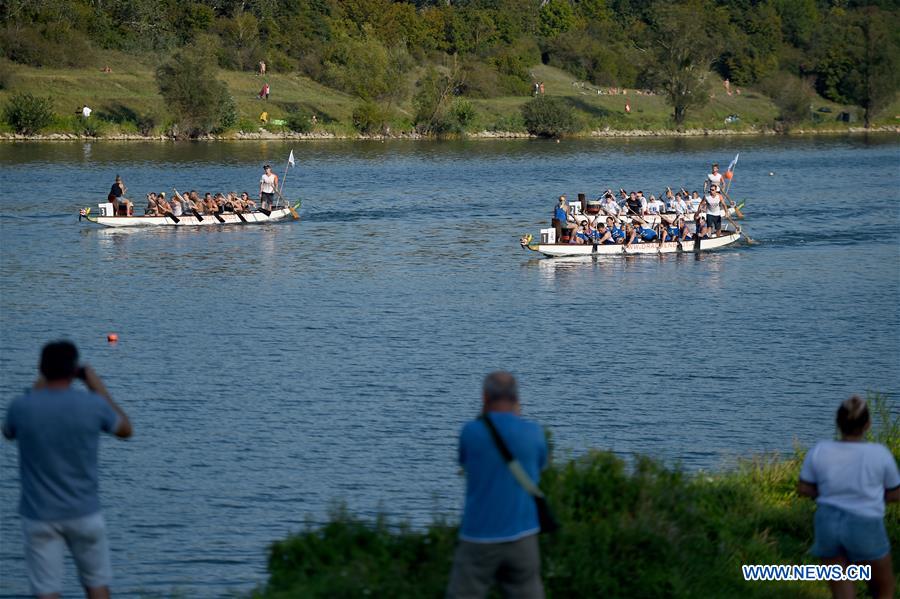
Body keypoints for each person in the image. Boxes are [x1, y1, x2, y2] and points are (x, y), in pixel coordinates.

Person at [3, 341, 132, 599]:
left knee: (47, 591)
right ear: (74, 371)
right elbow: (125, 429)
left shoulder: (22, 407)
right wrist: (97, 386)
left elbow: (8, 432)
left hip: (39, 514)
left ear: (42, 368)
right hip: (85, 511)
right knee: (96, 586)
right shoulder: (92, 406)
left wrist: (38, 385)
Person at [446, 372, 547, 599]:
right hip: (523, 534)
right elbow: (539, 467)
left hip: (479, 535)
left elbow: (464, 462)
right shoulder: (534, 433)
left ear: (484, 397)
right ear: (517, 398)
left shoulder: (471, 432)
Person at [798, 396, 899, 599]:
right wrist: (875, 499)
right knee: (883, 586)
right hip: (865, 523)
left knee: (841, 589)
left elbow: (803, 488)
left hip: (827, 522)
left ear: (837, 423)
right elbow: (896, 492)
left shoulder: (820, 450)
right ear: (868, 425)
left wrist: (825, 495)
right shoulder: (879, 454)